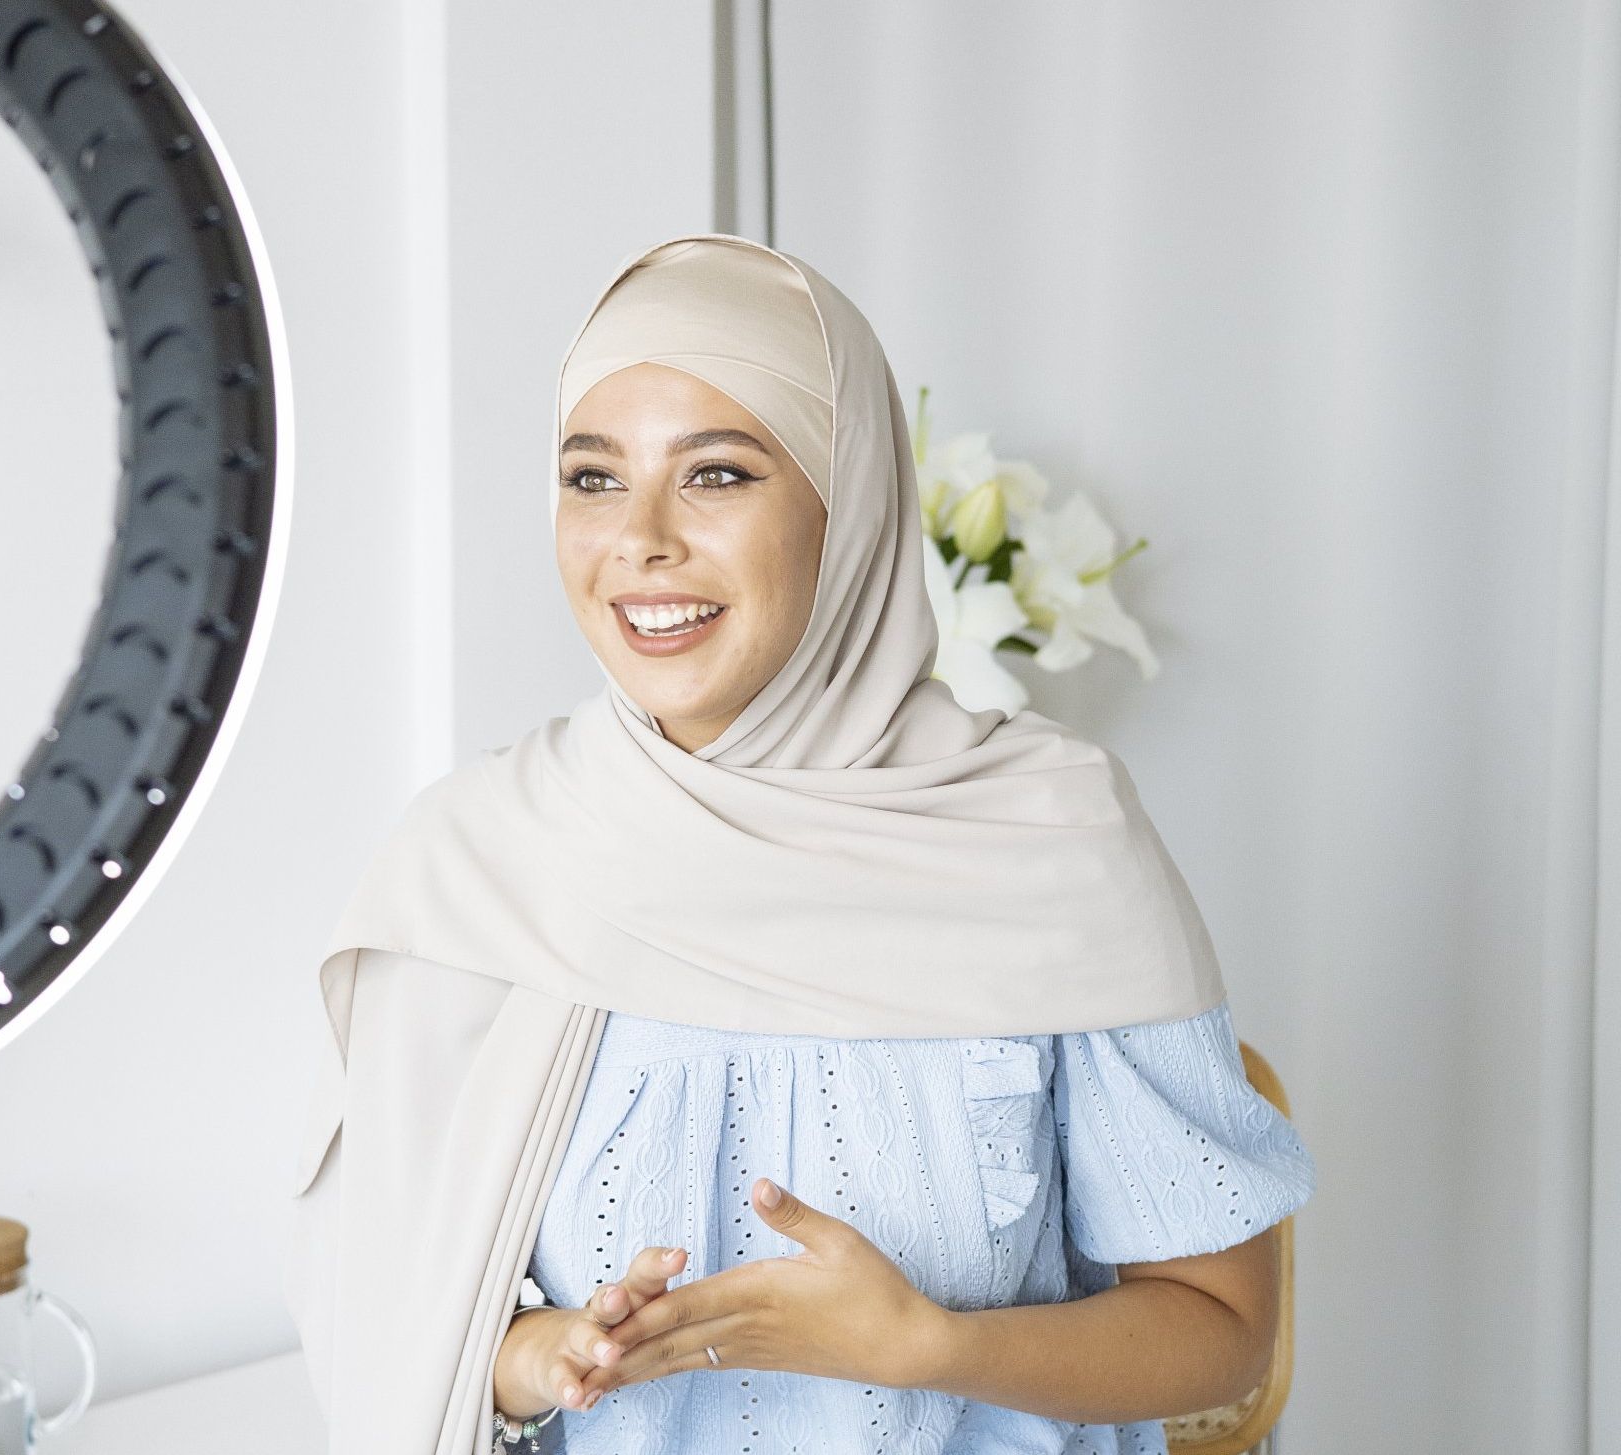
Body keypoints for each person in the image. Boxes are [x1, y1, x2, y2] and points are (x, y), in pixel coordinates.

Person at [281, 233, 1317, 1455]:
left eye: (718, 474)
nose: (642, 539)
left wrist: (931, 1348)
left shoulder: (1050, 839)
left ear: (853, 501)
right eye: (592, 476)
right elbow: (375, 1284)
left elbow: (1220, 1325)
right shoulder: (476, 865)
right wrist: (513, 1356)